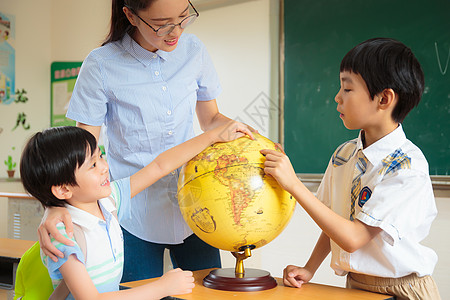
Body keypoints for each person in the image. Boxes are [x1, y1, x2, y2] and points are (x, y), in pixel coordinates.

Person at [37, 0, 255, 282]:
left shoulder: (194, 51)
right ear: (130, 15)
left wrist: (248, 137)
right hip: (131, 213)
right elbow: (82, 154)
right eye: (161, 24)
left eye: (183, 17)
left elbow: (210, 119)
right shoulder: (101, 64)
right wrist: (54, 206)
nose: (175, 31)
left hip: (196, 207)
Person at [261, 38, 441, 300]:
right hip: (357, 286)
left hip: (403, 289)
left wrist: (293, 184)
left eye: (347, 88)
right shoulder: (344, 154)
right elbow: (337, 221)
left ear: (384, 98)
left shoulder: (406, 167)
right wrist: (309, 268)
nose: (337, 97)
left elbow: (353, 237)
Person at [20, 123, 253, 299]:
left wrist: (213, 135)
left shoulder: (109, 202)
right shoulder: (63, 234)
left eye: (100, 156)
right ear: (63, 190)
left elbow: (160, 166)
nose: (104, 167)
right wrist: (162, 287)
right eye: (92, 165)